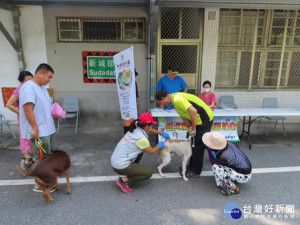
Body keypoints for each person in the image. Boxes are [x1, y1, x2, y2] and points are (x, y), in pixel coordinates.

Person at [155, 91, 214, 178]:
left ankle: (195, 171)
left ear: (163, 98)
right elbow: (184, 117)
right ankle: (191, 166)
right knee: (193, 143)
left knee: (198, 144)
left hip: (205, 119)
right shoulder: (174, 102)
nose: (162, 106)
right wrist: (190, 128)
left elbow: (193, 111)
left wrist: (193, 129)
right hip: (197, 120)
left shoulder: (177, 99)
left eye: (160, 103)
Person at [19, 63, 57, 192]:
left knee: (47, 157)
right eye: (48, 77)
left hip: (48, 129)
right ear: (40, 73)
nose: (49, 80)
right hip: (39, 131)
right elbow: (27, 110)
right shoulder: (28, 88)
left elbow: (44, 107)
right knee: (41, 158)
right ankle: (39, 185)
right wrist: (34, 128)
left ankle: (46, 181)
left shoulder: (42, 88)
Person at [111, 112, 170, 193]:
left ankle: (131, 171)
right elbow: (152, 152)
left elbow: (149, 130)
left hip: (116, 160)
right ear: (146, 126)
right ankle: (124, 181)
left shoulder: (136, 128)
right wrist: (160, 145)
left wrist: (161, 132)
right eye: (151, 125)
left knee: (140, 151)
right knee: (148, 173)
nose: (151, 127)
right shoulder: (141, 139)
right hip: (120, 165)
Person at [6, 71, 33, 164]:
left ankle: (33, 154)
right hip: (24, 118)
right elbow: (9, 104)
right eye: (27, 81)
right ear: (21, 81)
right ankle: (26, 155)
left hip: (32, 115)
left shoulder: (32, 89)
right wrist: (21, 113)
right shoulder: (19, 90)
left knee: (33, 133)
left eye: (31, 80)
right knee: (25, 135)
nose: (29, 83)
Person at [123, 68, 140, 134]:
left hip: (133, 105)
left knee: (133, 120)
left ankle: (132, 134)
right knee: (126, 120)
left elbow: (137, 94)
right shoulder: (123, 83)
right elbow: (121, 94)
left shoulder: (135, 83)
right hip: (125, 104)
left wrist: (137, 103)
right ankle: (126, 135)